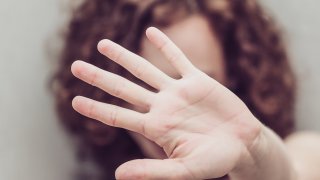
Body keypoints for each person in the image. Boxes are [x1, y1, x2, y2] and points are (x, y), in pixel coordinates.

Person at [51, 0, 320, 179]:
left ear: (234, 79)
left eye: (199, 83)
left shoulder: (305, 151)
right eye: (148, 84)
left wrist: (252, 150)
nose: (173, 110)